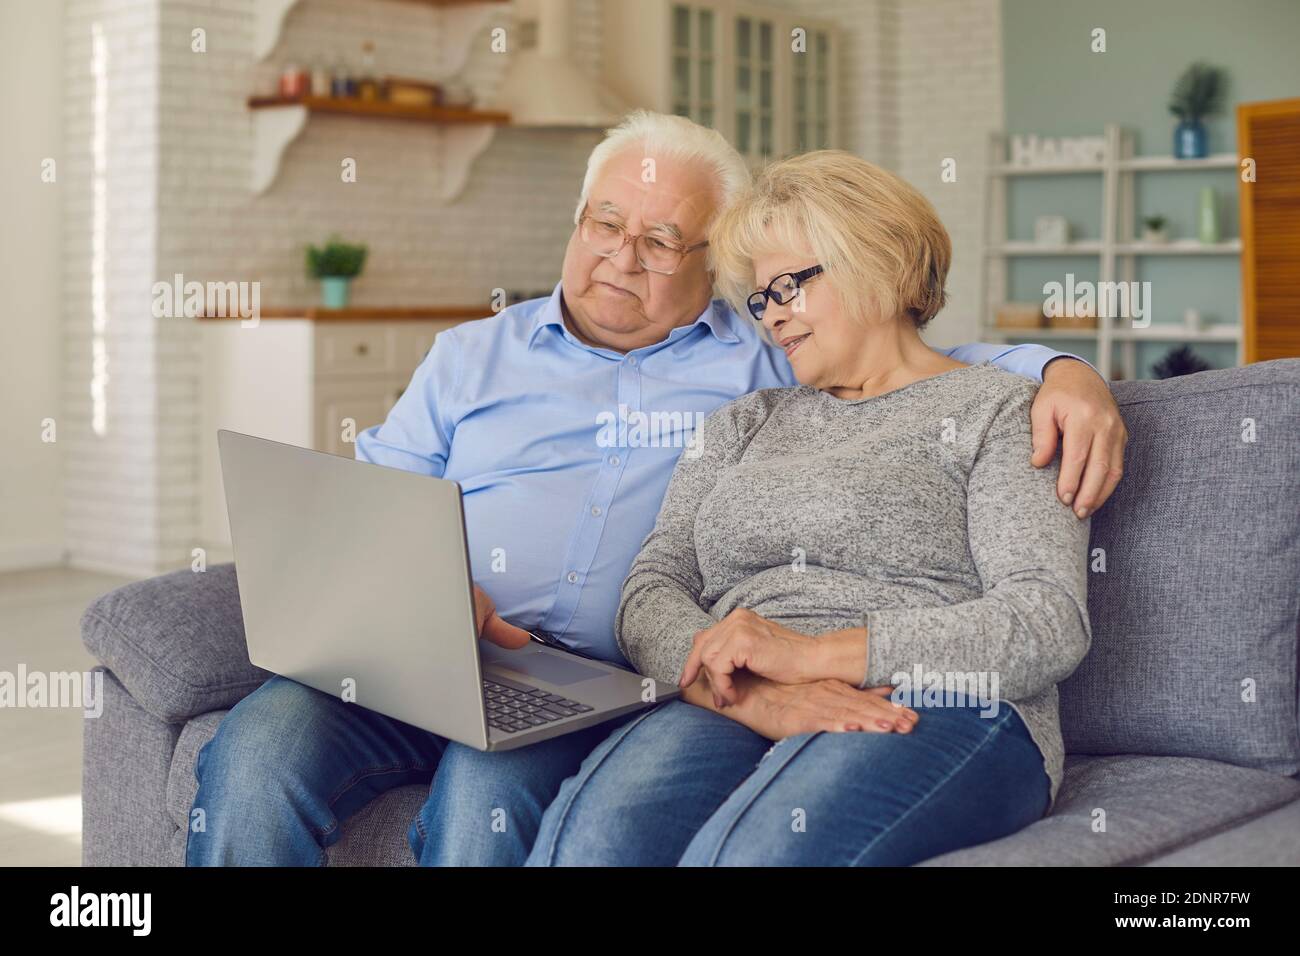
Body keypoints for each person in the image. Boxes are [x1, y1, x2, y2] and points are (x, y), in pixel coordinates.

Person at [187, 113, 1122, 867]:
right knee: (258, 754)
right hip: (426, 652)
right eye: (603, 224)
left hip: (587, 684)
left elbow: (919, 367)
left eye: (662, 241)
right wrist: (409, 594)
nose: (619, 259)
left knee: (492, 803)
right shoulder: (485, 357)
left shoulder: (766, 362)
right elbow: (381, 517)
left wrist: (1071, 369)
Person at [524, 150, 1091, 867]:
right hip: (742, 696)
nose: (771, 317)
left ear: (877, 262)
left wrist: (816, 656)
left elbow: (1046, 620)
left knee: (758, 854)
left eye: (788, 287)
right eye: (761, 299)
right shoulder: (743, 422)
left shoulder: (999, 411)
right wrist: (757, 691)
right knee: (593, 843)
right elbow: (651, 588)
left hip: (941, 697)